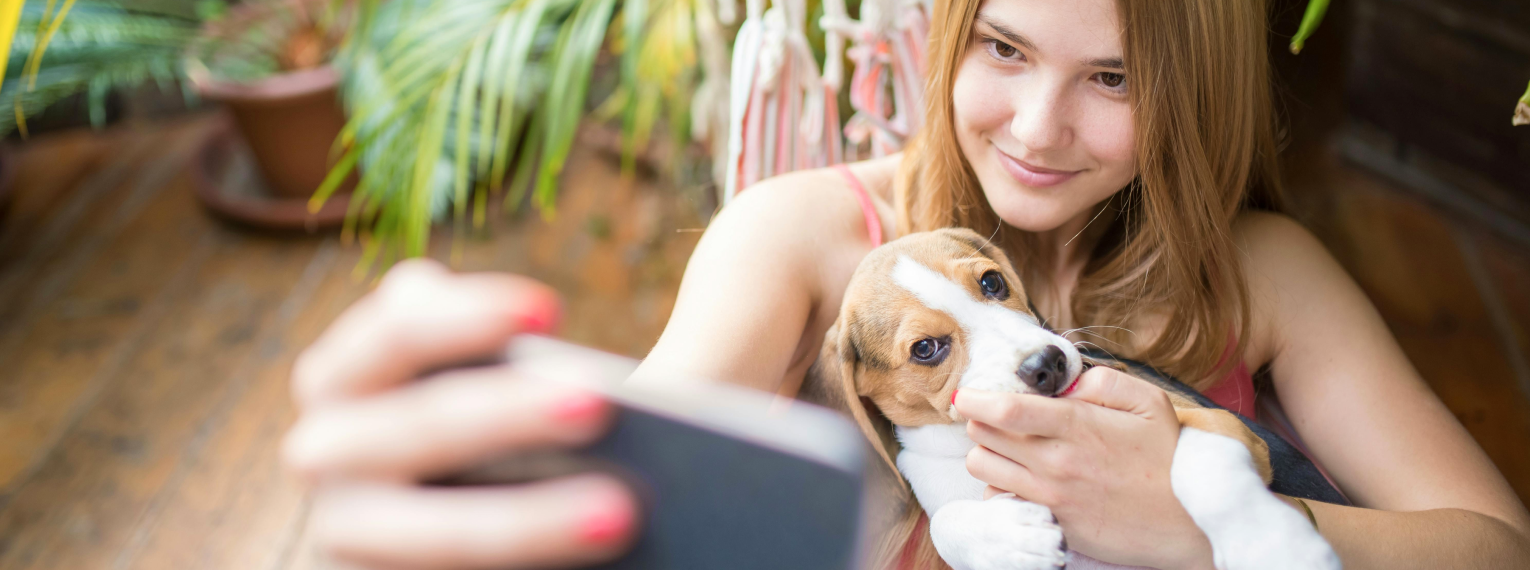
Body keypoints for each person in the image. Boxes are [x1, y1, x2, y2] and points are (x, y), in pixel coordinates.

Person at [280, 0, 1530, 568]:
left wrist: (1196, 529)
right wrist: (474, 492)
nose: (1038, 127)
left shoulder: (1259, 270)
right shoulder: (804, 241)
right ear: (948, 34)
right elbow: (623, 490)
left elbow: (1489, 544)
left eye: (1114, 78)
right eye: (1004, 48)